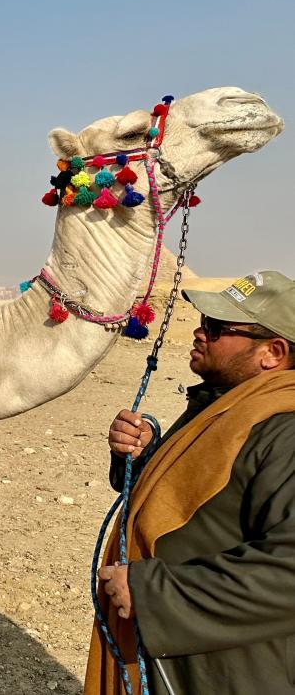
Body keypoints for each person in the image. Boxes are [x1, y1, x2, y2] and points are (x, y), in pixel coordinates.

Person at [87, 271, 295, 695]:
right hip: (181, 655)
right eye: (202, 319)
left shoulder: (284, 430)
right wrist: (144, 458)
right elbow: (198, 508)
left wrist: (153, 593)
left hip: (230, 668)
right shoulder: (229, 407)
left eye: (217, 328)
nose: (200, 332)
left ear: (272, 353)